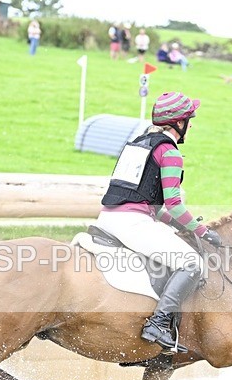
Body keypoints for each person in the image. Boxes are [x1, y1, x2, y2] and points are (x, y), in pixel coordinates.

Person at [94, 92, 222, 353]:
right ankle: (158, 323)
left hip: (107, 219)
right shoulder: (170, 152)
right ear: (178, 123)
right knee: (191, 263)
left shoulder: (137, 145)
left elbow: (145, 201)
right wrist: (203, 231)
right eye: (189, 120)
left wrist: (178, 226)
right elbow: (174, 205)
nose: (191, 125)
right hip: (131, 224)